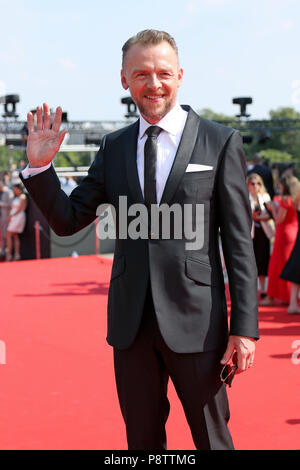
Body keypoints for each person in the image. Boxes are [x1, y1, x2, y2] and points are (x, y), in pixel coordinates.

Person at [20, 30, 259, 450]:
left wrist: (244, 328)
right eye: (141, 74)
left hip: (198, 324)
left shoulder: (220, 141)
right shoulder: (113, 148)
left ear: (180, 75)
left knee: (213, 442)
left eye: (163, 73)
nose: (154, 84)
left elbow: (239, 244)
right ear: (124, 80)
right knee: (142, 444)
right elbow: (68, 219)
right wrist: (41, 170)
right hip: (131, 325)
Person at [260, 175, 298, 306]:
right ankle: (286, 297)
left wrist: (272, 209)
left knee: (276, 265)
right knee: (288, 264)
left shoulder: (285, 200)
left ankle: (271, 297)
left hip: (284, 234)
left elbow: (278, 219)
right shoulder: (296, 199)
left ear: (285, 186)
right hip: (294, 233)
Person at [247, 173, 274, 299]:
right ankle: (251, 289)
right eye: (252, 183)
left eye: (258, 183)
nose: (255, 186)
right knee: (250, 261)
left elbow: (271, 214)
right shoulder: (244, 197)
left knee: (263, 260)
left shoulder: (265, 196)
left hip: (263, 232)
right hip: (249, 232)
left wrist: (258, 217)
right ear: (248, 184)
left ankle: (263, 289)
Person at [280, 177, 300, 314]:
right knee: (296, 269)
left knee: (296, 270)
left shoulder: (295, 199)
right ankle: (292, 304)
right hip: (296, 235)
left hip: (297, 236)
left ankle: (292, 303)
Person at [6, 183, 27, 261]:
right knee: (15, 236)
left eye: (16, 189)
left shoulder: (23, 197)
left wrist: (11, 216)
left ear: (20, 189)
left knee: (9, 234)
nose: (15, 191)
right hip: (14, 217)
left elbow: (20, 209)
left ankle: (9, 255)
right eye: (14, 189)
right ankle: (16, 255)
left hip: (18, 217)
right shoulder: (16, 197)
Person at [0, 180, 14, 256]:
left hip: (7, 217)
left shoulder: (8, 192)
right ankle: (2, 251)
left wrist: (1, 204)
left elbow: (11, 204)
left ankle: (8, 253)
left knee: (6, 235)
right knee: (2, 235)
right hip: (2, 216)